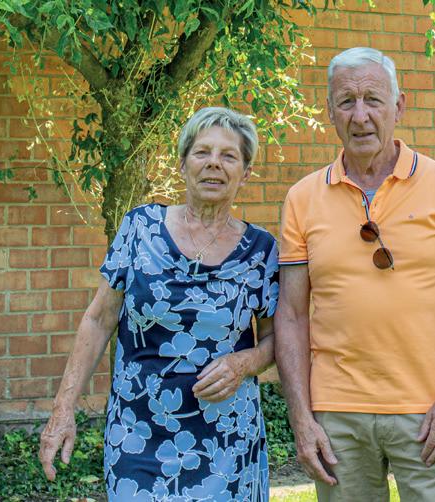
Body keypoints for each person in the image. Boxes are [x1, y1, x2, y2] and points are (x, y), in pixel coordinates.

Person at [275, 47, 435, 502]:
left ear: (399, 106)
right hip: (337, 416)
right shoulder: (302, 198)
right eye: (346, 101)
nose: (360, 116)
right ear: (330, 112)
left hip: (430, 413)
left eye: (373, 100)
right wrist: (301, 417)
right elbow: (292, 315)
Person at [39, 107, 279, 501]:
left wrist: (245, 363)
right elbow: (98, 320)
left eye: (228, 156)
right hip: (138, 436)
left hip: (228, 442)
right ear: (182, 164)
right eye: (202, 152)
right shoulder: (140, 228)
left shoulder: (261, 251)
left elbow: (276, 339)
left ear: (246, 172)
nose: (214, 164)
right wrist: (63, 409)